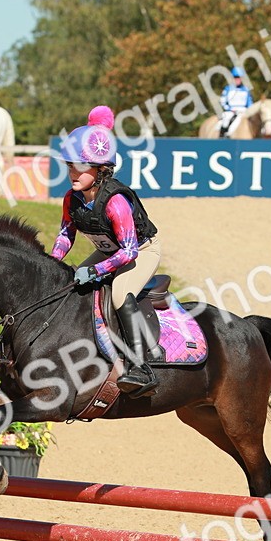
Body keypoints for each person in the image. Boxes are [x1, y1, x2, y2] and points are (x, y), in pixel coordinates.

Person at [51, 105, 163, 397]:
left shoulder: (115, 202)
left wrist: (96, 270)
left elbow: (128, 253)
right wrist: (51, 263)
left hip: (141, 250)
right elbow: (65, 235)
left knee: (118, 293)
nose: (72, 172)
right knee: (71, 285)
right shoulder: (71, 198)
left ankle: (141, 367)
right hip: (109, 249)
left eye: (79, 166)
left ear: (100, 169)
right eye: (69, 165)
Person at [217, 67, 253, 137]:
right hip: (231, 111)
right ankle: (223, 136)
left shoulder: (246, 89)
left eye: (239, 77)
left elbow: (249, 102)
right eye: (235, 77)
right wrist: (229, 109)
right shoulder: (228, 89)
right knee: (225, 122)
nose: (237, 79)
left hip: (243, 111)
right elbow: (223, 101)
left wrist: (249, 110)